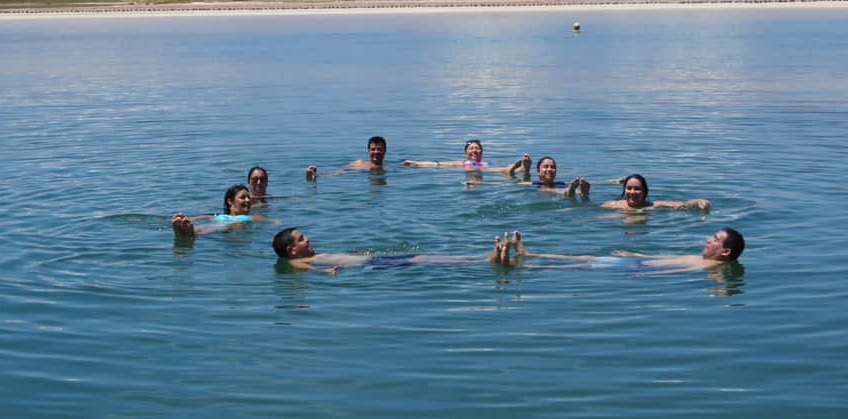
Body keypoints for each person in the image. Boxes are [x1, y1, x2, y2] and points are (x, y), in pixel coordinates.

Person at [271, 227, 516, 273]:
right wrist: (323, 273)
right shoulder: (295, 263)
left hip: (376, 260)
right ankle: (484, 260)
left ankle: (482, 258)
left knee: (424, 257)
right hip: (373, 266)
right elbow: (301, 268)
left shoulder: (311, 256)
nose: (308, 239)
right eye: (302, 239)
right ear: (292, 250)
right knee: (424, 260)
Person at [498, 228, 745, 270]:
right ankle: (530, 256)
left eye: (713, 239)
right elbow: (671, 259)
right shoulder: (703, 260)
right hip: (637, 264)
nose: (707, 240)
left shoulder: (712, 266)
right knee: (585, 258)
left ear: (725, 252)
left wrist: (648, 272)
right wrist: (638, 255)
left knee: (582, 265)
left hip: (637, 271)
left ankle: (520, 266)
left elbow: (676, 272)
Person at [172, 184, 266, 238]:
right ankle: (186, 231)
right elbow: (196, 218)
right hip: (222, 224)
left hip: (230, 226)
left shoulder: (252, 217)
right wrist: (184, 218)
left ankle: (189, 233)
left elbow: (272, 221)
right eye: (243, 197)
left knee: (223, 226)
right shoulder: (217, 215)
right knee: (212, 226)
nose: (248, 200)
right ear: (230, 201)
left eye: (248, 197)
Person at [402, 139, 531, 175]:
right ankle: (516, 169)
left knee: (501, 170)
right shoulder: (461, 163)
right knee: (504, 171)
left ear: (482, 153)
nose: (474, 151)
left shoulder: (485, 164)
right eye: (471, 149)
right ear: (466, 153)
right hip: (469, 174)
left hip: (483, 172)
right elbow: (437, 164)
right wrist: (416, 163)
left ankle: (522, 169)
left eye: (477, 149)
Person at [600, 174, 710, 211]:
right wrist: (585, 197)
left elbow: (683, 204)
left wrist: (698, 201)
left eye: (637, 189)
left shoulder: (653, 206)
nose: (632, 192)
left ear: (645, 192)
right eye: (629, 188)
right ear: (624, 191)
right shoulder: (613, 205)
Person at [306, 136, 387, 181]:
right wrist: (319, 174)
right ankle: (314, 175)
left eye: (379, 149)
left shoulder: (388, 167)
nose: (376, 152)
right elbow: (339, 172)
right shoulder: (359, 163)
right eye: (373, 149)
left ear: (385, 151)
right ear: (368, 151)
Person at [526, 155, 591, 198]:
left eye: (553, 167)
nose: (550, 169)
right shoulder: (533, 184)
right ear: (538, 171)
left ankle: (584, 194)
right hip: (552, 192)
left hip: (562, 190)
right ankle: (571, 193)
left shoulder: (563, 184)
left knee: (577, 191)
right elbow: (517, 184)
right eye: (545, 167)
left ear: (556, 171)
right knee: (543, 190)